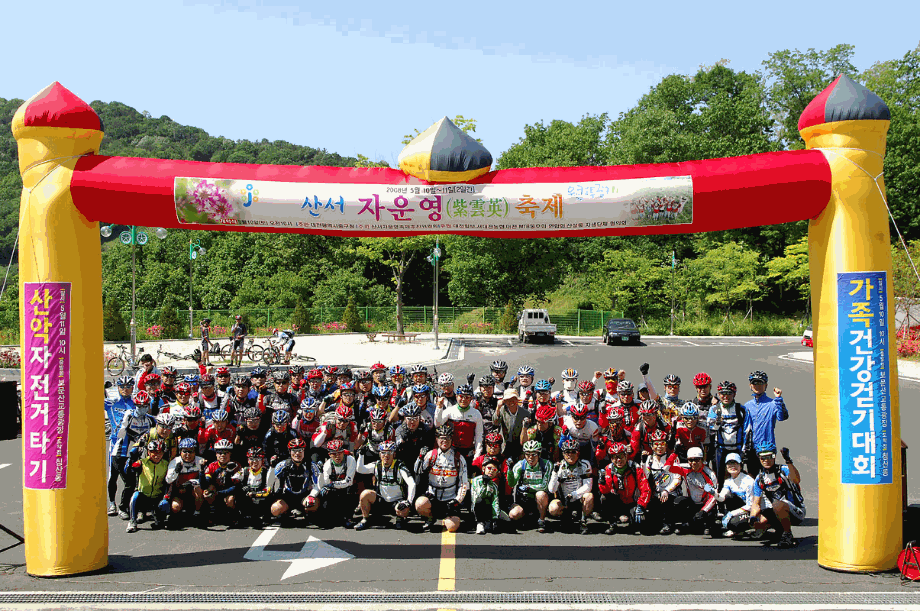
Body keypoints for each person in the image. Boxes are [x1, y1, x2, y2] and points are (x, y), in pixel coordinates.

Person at [110, 390, 157, 520]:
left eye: (145, 406)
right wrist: (137, 437)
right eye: (139, 406)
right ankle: (122, 508)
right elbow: (121, 433)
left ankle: (141, 509)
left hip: (140, 455)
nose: (142, 409)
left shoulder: (150, 420)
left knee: (141, 482)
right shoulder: (129, 415)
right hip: (122, 454)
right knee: (130, 483)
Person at [415, 424, 470, 533]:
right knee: (420, 503)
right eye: (441, 438)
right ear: (437, 438)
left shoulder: (458, 457)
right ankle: (430, 518)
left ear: (452, 439)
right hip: (433, 496)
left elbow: (464, 483)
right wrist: (420, 458)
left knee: (452, 527)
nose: (445, 441)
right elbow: (418, 471)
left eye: (448, 438)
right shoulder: (431, 454)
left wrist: (457, 500)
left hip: (450, 498)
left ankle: (447, 517)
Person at [748, 444, 804, 548]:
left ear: (774, 457)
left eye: (770, 457)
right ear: (759, 459)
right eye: (763, 458)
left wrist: (788, 461)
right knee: (759, 521)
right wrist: (752, 517)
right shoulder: (760, 478)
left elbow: (796, 480)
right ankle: (780, 531)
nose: (766, 460)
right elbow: (756, 504)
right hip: (776, 509)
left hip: (795, 510)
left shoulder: (783, 469)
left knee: (777, 504)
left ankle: (787, 534)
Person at [354, 440, 415, 530]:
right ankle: (365, 520)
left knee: (404, 509)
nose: (386, 455)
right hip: (381, 500)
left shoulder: (399, 466)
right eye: (383, 453)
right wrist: (361, 455)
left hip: (396, 502)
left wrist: (408, 501)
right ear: (379, 454)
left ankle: (400, 518)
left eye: (389, 453)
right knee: (365, 494)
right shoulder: (377, 465)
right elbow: (360, 469)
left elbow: (412, 484)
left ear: (394, 454)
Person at [598, 442, 651, 535]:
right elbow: (605, 491)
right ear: (611, 459)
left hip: (632, 502)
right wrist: (602, 482)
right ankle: (612, 524)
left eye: (621, 456)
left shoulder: (635, 467)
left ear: (626, 456)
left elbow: (645, 488)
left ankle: (631, 519)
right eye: (615, 457)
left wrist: (641, 505)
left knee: (640, 525)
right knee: (604, 498)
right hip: (618, 501)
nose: (618, 460)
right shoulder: (608, 469)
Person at [743, 371, 788, 477]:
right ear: (750, 385)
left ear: (766, 385)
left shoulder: (773, 403)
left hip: (767, 448)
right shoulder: (747, 405)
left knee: (769, 478)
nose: (757, 386)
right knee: (752, 478)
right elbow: (744, 428)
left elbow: (782, 417)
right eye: (754, 383)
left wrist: (779, 399)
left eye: (760, 383)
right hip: (751, 449)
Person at [667, 446, 719, 536]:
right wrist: (674, 453)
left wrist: (703, 511)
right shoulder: (685, 469)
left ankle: (708, 525)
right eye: (691, 460)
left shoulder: (709, 474)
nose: (694, 463)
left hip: (706, 506)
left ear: (702, 460)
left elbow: (713, 496)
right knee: (678, 501)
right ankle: (687, 523)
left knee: (707, 524)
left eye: (697, 460)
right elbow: (667, 468)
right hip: (693, 504)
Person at [105, 375, 137, 516]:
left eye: (128, 386)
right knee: (113, 476)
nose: (125, 389)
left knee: (130, 479)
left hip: (130, 446)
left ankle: (125, 506)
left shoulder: (135, 404)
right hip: (115, 446)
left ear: (132, 387)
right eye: (122, 386)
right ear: (117, 387)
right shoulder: (111, 402)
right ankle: (112, 503)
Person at [548, 438, 594, 534]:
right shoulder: (559, 466)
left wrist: (573, 495)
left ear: (578, 453)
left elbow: (588, 486)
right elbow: (552, 489)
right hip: (564, 500)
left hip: (578, 498)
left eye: (573, 452)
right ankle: (565, 517)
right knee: (553, 508)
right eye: (567, 452)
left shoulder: (585, 464)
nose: (570, 455)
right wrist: (555, 473)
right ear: (563, 454)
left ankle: (583, 521)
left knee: (589, 496)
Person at [507, 440, 553, 533]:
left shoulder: (547, 464)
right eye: (527, 454)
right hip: (524, 499)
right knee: (514, 514)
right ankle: (526, 518)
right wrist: (510, 471)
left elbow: (544, 486)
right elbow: (511, 484)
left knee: (541, 494)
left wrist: (529, 487)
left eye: (534, 454)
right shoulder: (520, 465)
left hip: (539, 499)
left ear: (539, 454)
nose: (530, 458)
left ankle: (541, 520)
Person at [310, 438, 358, 528]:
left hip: (347, 489)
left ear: (343, 452)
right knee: (325, 492)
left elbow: (349, 481)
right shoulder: (327, 465)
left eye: (339, 453)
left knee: (351, 490)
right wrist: (320, 473)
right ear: (329, 455)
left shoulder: (350, 460)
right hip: (335, 490)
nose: (337, 456)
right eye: (334, 454)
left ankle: (348, 517)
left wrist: (333, 484)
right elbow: (324, 484)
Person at [271, 438, 320, 525]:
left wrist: (312, 496)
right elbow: (270, 481)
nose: (297, 453)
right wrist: (272, 467)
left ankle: (307, 513)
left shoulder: (311, 465)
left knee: (315, 504)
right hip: (288, 496)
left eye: (300, 450)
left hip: (304, 496)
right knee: (275, 509)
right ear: (290, 451)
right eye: (294, 450)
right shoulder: (283, 465)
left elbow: (318, 484)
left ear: (304, 451)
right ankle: (286, 513)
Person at [125, 439, 170, 533]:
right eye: (154, 452)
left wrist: (166, 496)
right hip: (144, 497)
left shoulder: (166, 464)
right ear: (148, 452)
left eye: (160, 452)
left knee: (164, 506)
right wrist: (131, 458)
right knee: (135, 495)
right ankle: (132, 521)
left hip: (157, 497)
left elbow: (169, 481)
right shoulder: (142, 462)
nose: (157, 455)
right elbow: (128, 470)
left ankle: (160, 518)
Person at [642, 429, 682, 535]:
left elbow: (678, 478)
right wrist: (643, 462)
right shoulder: (649, 459)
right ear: (651, 446)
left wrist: (666, 491)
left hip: (670, 493)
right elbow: (645, 477)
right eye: (656, 444)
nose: (659, 447)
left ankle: (668, 524)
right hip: (655, 494)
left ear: (666, 445)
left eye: (662, 444)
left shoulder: (672, 458)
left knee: (668, 503)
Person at [707, 381, 748, 484]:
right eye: (722, 393)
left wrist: (745, 448)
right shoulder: (714, 409)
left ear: (734, 394)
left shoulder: (741, 409)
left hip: (737, 448)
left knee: (738, 476)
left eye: (729, 393)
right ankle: (720, 497)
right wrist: (717, 423)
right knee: (719, 478)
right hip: (721, 448)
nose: (726, 396)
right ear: (718, 394)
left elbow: (747, 430)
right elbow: (710, 430)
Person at [435, 383, 483, 466]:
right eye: (461, 396)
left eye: (467, 397)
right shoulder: (450, 410)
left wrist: (477, 455)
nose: (463, 399)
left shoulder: (476, 413)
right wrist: (439, 407)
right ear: (456, 396)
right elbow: (438, 424)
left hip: (468, 450)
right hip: (452, 449)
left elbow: (479, 435)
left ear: (471, 398)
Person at [164, 437, 208, 528]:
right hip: (179, 492)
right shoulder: (175, 461)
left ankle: (197, 514)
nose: (188, 454)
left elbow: (205, 483)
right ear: (180, 451)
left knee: (199, 488)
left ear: (195, 451)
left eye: (191, 451)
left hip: (194, 492)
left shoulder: (200, 460)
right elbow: (168, 480)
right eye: (185, 451)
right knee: (175, 507)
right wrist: (176, 471)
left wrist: (199, 474)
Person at [203, 439, 242, 526]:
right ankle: (212, 514)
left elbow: (236, 486)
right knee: (207, 491)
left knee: (230, 499)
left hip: (229, 492)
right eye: (220, 453)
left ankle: (233, 515)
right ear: (216, 454)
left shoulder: (236, 465)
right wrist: (202, 472)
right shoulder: (212, 465)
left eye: (225, 453)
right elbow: (206, 482)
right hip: (217, 491)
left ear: (230, 453)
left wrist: (220, 493)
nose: (222, 455)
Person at [716, 453, 756, 538]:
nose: (732, 466)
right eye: (730, 463)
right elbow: (722, 497)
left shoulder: (749, 481)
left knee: (733, 523)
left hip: (752, 511)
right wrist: (712, 492)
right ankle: (737, 528)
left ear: (741, 466)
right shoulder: (728, 481)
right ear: (726, 467)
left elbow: (750, 505)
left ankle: (753, 527)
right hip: (741, 510)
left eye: (735, 463)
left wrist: (731, 514)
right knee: (729, 497)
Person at [232, 446, 273, 527]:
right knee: (237, 491)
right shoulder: (244, 470)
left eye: (258, 459)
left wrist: (254, 493)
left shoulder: (267, 472)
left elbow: (268, 490)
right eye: (252, 459)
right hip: (249, 500)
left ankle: (263, 516)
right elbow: (233, 480)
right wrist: (229, 474)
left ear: (262, 460)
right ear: (248, 460)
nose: (255, 462)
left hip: (261, 499)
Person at [471, 458, 505, 534]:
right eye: (489, 468)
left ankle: (490, 521)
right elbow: (477, 496)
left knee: (508, 523)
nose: (491, 471)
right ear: (483, 469)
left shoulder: (494, 485)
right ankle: (480, 523)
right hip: (475, 508)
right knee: (480, 500)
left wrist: (495, 518)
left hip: (487, 508)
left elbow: (495, 501)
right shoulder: (476, 480)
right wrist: (484, 484)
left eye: (494, 470)